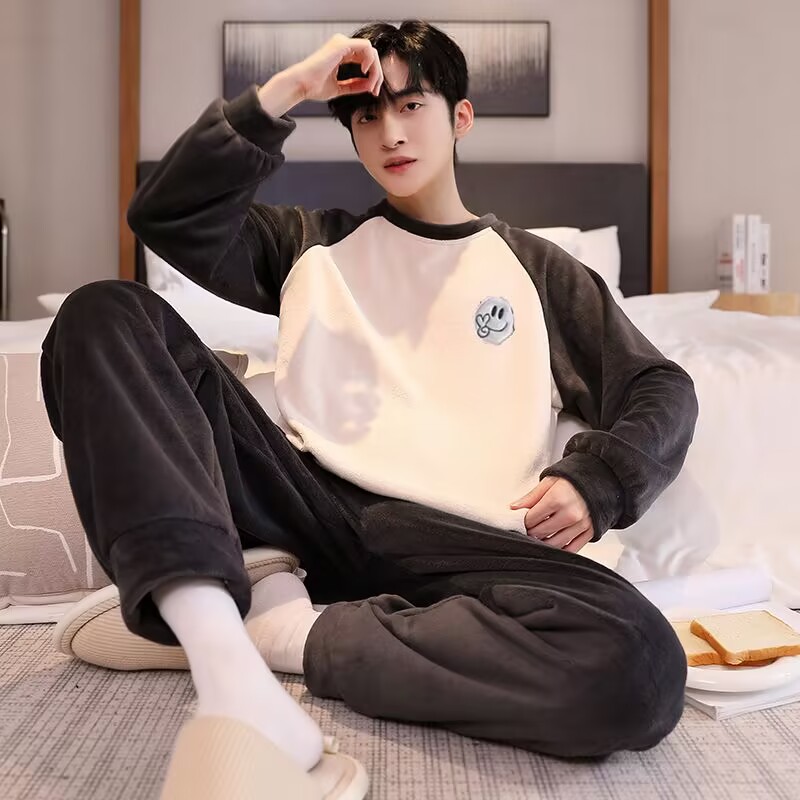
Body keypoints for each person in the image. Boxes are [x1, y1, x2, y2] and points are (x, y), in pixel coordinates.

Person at [41, 19, 698, 798]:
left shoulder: (539, 270)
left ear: (460, 117)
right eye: (366, 115)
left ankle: (276, 628)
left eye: (412, 106)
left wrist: (597, 481)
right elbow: (167, 216)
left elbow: (659, 387)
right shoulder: (308, 243)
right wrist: (291, 89)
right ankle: (217, 641)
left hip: (464, 544)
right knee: (103, 313)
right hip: (303, 506)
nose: (390, 133)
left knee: (640, 665)